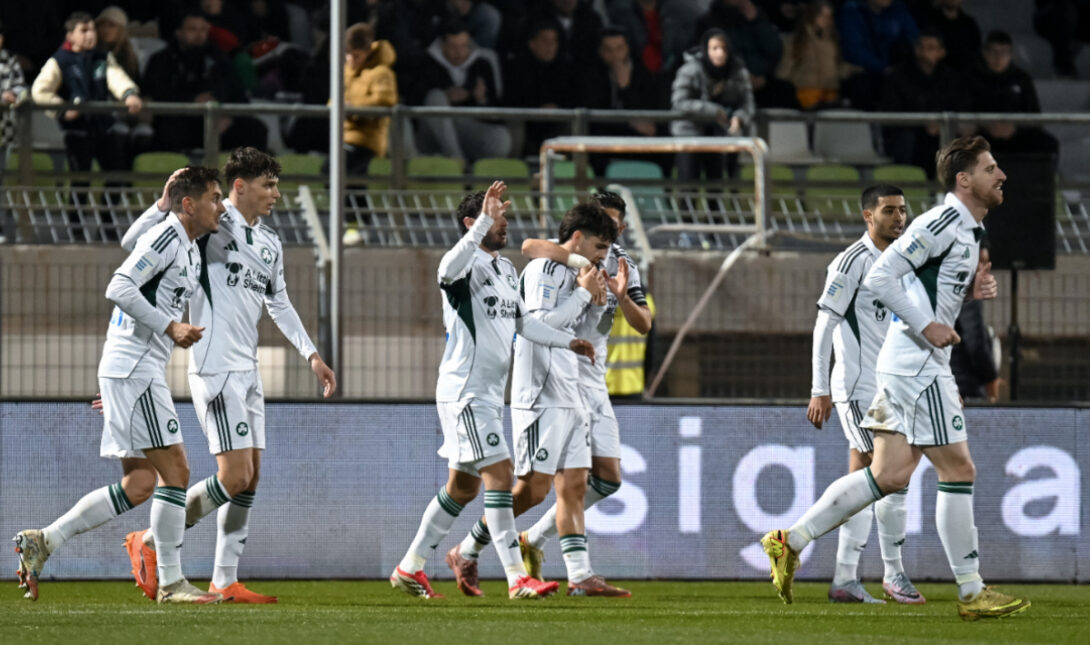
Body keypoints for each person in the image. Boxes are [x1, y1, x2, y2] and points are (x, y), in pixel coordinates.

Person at [761, 136, 1032, 621]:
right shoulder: (942, 222)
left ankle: (790, 540)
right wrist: (926, 326)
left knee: (887, 476)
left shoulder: (966, 231)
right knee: (958, 471)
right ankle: (970, 590)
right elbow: (881, 277)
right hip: (917, 365)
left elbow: (916, 289)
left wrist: (969, 293)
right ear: (964, 179)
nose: (1002, 175)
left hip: (908, 363)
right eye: (991, 168)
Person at [115, 148, 337, 604]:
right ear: (240, 186)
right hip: (214, 367)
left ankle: (224, 579)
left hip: (248, 370)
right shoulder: (211, 224)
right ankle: (152, 540)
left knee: (250, 478)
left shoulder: (270, 242)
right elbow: (133, 244)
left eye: (276, 185)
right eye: (268, 185)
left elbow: (279, 303)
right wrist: (161, 206)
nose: (276, 194)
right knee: (233, 476)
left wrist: (312, 354)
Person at [13, 166, 225, 605]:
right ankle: (171, 584)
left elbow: (131, 245)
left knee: (141, 482)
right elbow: (120, 284)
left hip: (128, 369)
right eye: (215, 198)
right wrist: (170, 326)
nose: (220, 207)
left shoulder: (179, 240)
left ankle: (45, 540)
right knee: (176, 472)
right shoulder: (170, 237)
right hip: (136, 368)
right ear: (190, 204)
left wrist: (160, 205)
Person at [389, 182, 596, 600]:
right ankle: (518, 578)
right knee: (500, 476)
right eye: (498, 218)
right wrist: (483, 221)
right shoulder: (462, 266)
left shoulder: (504, 270)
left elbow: (525, 324)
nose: (505, 225)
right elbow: (445, 270)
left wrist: (569, 340)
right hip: (465, 391)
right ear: (474, 222)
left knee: (463, 489)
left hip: (486, 394)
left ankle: (409, 568)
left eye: (503, 218)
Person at [450, 202, 631, 598]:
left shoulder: (582, 272)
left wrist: (593, 300)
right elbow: (536, 324)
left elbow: (575, 322)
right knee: (533, 490)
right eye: (600, 246)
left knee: (576, 486)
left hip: (571, 389)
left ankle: (580, 576)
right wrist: (582, 296)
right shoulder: (544, 269)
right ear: (578, 238)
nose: (604, 256)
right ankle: (466, 550)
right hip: (541, 393)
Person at [513, 191, 653, 579]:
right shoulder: (565, 257)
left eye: (612, 223)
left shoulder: (623, 264)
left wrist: (621, 297)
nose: (607, 228)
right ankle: (575, 573)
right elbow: (529, 246)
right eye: (599, 221)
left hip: (592, 377)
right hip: (556, 374)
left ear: (621, 226)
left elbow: (644, 323)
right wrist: (580, 271)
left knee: (607, 479)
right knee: (553, 484)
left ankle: (533, 540)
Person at [806, 184, 925, 604]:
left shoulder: (904, 263)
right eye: (889, 210)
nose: (899, 218)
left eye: (902, 210)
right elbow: (824, 326)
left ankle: (846, 578)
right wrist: (819, 388)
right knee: (888, 474)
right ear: (867, 216)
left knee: (872, 476)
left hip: (894, 387)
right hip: (858, 388)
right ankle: (891, 574)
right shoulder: (852, 261)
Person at [31, 11, 144, 201]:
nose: (90, 34)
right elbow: (40, 91)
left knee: (116, 175)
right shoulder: (60, 60)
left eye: (92, 29)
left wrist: (129, 94)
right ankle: (76, 220)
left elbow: (117, 78)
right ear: (70, 36)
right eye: (83, 30)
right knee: (80, 181)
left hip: (104, 127)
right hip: (78, 131)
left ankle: (108, 219)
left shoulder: (102, 57)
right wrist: (63, 109)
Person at [142, 9, 268, 154]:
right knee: (168, 131)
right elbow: (155, 93)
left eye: (203, 29)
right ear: (179, 33)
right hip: (180, 119)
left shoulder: (219, 59)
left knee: (255, 129)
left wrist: (228, 116)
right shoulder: (161, 60)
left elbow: (239, 96)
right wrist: (192, 100)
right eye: (192, 29)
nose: (199, 34)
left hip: (219, 121)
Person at [402, 20, 510, 162]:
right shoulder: (425, 63)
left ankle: (473, 164)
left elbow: (497, 114)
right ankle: (456, 159)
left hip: (465, 125)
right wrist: (446, 97)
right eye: (453, 47)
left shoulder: (482, 64)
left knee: (501, 138)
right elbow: (412, 102)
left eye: (464, 46)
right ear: (443, 45)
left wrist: (481, 100)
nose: (459, 53)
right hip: (431, 127)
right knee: (436, 97)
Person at [671, 29, 753, 197]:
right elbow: (679, 101)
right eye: (714, 48)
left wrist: (739, 117)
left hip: (719, 134)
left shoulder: (737, 71)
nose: (720, 53)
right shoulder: (690, 70)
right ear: (706, 50)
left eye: (723, 48)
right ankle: (687, 215)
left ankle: (716, 214)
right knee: (688, 185)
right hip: (690, 134)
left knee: (716, 186)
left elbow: (747, 102)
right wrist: (713, 110)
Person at [880, 29, 971, 177]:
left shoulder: (951, 79)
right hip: (910, 137)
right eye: (920, 47)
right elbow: (890, 114)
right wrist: (922, 123)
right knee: (906, 141)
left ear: (941, 52)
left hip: (942, 136)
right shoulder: (899, 76)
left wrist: (941, 126)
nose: (923, 53)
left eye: (930, 48)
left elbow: (962, 110)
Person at [965, 31, 1059, 158]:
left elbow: (1034, 115)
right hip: (982, 133)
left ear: (1011, 54)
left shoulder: (1022, 78)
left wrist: (1015, 128)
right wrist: (986, 126)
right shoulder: (971, 77)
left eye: (1003, 52)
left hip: (1016, 134)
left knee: (1048, 144)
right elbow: (964, 111)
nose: (998, 57)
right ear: (985, 53)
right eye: (994, 52)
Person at [503, 19, 574, 157]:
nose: (550, 46)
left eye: (554, 41)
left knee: (572, 124)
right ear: (532, 43)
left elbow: (573, 99)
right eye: (544, 41)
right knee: (516, 124)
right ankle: (515, 167)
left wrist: (558, 109)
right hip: (527, 121)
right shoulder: (516, 67)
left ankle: (569, 168)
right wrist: (536, 109)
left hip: (556, 121)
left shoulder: (565, 68)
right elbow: (511, 101)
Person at [339, 22, 397, 177]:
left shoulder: (381, 73)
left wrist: (352, 109)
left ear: (368, 51)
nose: (351, 60)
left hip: (367, 139)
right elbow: (334, 98)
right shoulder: (347, 72)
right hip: (344, 136)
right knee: (354, 183)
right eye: (348, 54)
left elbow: (384, 102)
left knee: (331, 171)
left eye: (357, 55)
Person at [837, 0, 919, 110]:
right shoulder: (852, 10)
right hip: (866, 75)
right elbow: (854, 50)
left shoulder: (898, 10)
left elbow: (915, 40)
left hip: (896, 74)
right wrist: (883, 69)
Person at [776, 0, 851, 109]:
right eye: (821, 15)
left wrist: (854, 70)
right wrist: (782, 84)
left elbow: (839, 67)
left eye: (829, 16)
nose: (826, 19)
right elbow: (786, 67)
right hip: (806, 92)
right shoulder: (797, 41)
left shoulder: (833, 42)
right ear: (812, 15)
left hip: (830, 93)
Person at [951, 244, 1002, 402]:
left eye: (986, 262)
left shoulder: (944, 286)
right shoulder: (967, 290)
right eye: (979, 261)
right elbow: (975, 342)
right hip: (965, 387)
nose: (982, 268)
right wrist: (991, 378)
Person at [915, 0, 981, 71]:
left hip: (965, 72)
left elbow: (976, 50)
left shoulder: (969, 23)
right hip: (935, 71)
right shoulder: (928, 20)